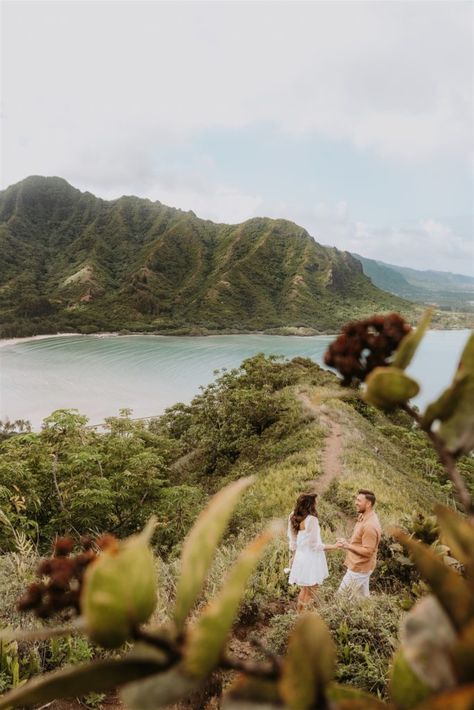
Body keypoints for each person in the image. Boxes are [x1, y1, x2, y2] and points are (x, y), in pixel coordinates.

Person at [287, 492, 339, 611]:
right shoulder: (312, 520)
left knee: (304, 590)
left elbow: (293, 541)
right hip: (312, 559)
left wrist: (293, 556)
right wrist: (334, 546)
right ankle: (305, 618)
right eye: (315, 503)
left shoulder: (292, 516)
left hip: (300, 557)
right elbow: (315, 545)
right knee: (312, 591)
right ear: (310, 505)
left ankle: (299, 616)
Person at [336, 489, 381, 598]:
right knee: (362, 600)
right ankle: (368, 613)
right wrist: (347, 542)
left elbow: (368, 551)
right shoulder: (364, 516)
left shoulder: (370, 525)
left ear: (368, 504)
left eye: (359, 500)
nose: (356, 502)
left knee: (340, 598)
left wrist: (347, 546)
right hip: (360, 565)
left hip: (359, 568)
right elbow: (360, 540)